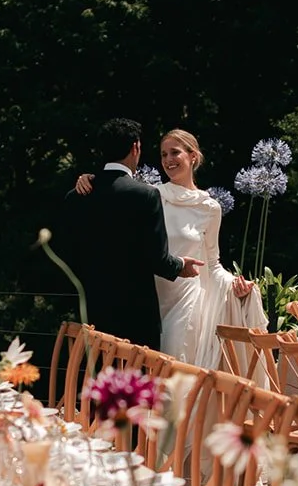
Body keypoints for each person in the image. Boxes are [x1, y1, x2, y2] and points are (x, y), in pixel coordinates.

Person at [75, 127, 267, 368]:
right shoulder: (150, 196)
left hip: (186, 300)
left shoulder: (210, 208)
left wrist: (237, 287)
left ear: (193, 156)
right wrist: (90, 179)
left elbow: (212, 264)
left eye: (174, 153)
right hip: (149, 299)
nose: (168, 160)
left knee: (171, 369)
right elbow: (115, 198)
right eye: (163, 154)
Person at [59, 117, 202, 350]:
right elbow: (157, 259)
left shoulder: (75, 197)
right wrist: (179, 265)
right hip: (136, 318)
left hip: (91, 312)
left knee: (100, 381)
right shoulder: (145, 195)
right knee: (137, 382)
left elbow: (67, 254)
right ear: (136, 147)